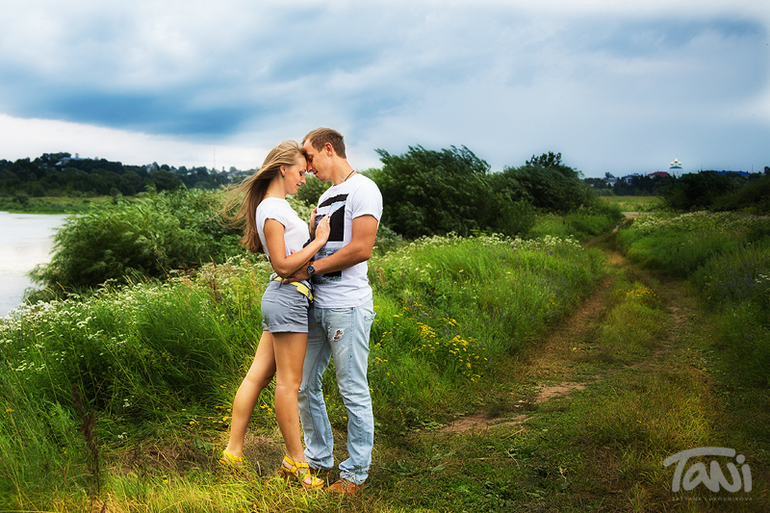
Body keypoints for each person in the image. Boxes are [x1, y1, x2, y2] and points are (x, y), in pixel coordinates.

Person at [220, 140, 330, 491]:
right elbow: (282, 265)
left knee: (257, 377)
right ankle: (296, 461)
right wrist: (319, 241)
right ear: (283, 169)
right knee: (289, 384)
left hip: (283, 298)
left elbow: (290, 255)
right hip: (288, 299)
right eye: (300, 172)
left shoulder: (276, 207)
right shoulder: (271, 208)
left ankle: (233, 452)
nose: (304, 178)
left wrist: (309, 232)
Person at [289, 128, 383, 494]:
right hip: (317, 304)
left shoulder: (364, 189)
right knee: (303, 384)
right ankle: (318, 458)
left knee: (352, 389)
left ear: (329, 149)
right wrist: (311, 236)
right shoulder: (326, 197)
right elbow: (321, 245)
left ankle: (355, 473)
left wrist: (310, 269)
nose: (308, 166)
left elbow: (361, 248)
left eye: (310, 157)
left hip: (348, 305)